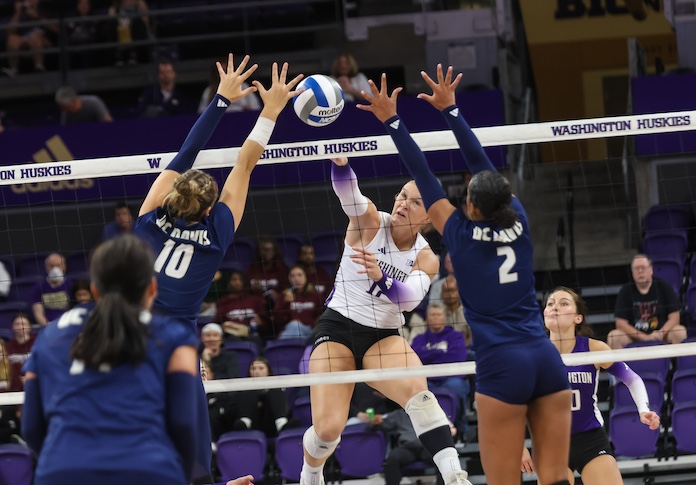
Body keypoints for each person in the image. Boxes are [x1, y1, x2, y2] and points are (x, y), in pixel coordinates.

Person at [358, 65, 572, 485]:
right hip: (545, 359)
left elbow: (422, 174)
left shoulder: (459, 233)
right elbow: (482, 165)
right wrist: (452, 111)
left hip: (501, 365)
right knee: (557, 479)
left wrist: (393, 120)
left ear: (471, 207)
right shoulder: (521, 220)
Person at [133, 54, 303, 482]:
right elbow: (244, 164)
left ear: (174, 194)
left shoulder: (149, 220)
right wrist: (270, 110)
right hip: (177, 347)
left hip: (131, 340)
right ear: (210, 208)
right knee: (191, 435)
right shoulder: (216, 234)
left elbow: (186, 152)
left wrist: (221, 100)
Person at [300, 155, 471, 485]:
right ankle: (311, 472)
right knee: (328, 429)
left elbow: (409, 300)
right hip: (338, 328)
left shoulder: (425, 257)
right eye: (403, 195)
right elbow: (350, 195)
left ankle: (455, 476)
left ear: (429, 217)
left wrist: (381, 277)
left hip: (384, 337)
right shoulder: (369, 221)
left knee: (420, 396)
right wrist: (340, 167)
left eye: (416, 201)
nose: (404, 203)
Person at [21, 235, 200, 484]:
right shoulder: (174, 336)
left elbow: (30, 427)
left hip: (62, 470)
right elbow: (183, 424)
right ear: (152, 288)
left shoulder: (48, 336)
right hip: (149, 470)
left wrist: (63, 461)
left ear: (95, 289)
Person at [520, 286, 661, 484]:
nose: (555, 307)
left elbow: (632, 379)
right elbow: (514, 402)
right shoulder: (532, 354)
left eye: (563, 303)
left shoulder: (593, 349)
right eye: (550, 304)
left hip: (591, 440)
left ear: (578, 317)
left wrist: (643, 409)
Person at [608, 253, 687, 349]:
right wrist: (644, 337)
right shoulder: (625, 291)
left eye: (643, 267)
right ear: (632, 272)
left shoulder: (664, 286)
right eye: (637, 268)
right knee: (614, 336)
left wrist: (660, 333)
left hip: (662, 335)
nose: (640, 271)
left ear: (651, 270)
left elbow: (675, 318)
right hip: (635, 337)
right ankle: (620, 365)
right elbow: (620, 324)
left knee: (679, 331)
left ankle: (674, 364)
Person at [411, 301, 469, 428]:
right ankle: (423, 428)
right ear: (426, 319)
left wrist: (428, 355)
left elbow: (457, 358)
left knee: (455, 387)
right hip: (426, 380)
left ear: (444, 318)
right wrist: (439, 352)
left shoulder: (456, 337)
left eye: (438, 314)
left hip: (451, 378)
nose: (436, 317)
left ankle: (458, 427)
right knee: (415, 391)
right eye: (432, 315)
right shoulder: (418, 339)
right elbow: (414, 359)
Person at [374, 407, 457, 485]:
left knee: (442, 458)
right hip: (407, 448)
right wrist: (374, 422)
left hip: (428, 446)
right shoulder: (398, 414)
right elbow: (376, 425)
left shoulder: (433, 410)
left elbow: (448, 426)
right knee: (393, 457)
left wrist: (451, 429)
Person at [234, 357, 298, 437]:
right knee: (248, 391)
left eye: (261, 368)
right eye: (253, 368)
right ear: (249, 372)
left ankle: (281, 424)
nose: (257, 371)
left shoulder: (276, 388)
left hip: (271, 422)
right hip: (252, 423)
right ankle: (245, 422)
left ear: (268, 371)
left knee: (276, 391)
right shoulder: (243, 389)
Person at [3, 0, 57, 76]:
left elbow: (56, 29)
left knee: (35, 37)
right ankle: (13, 70)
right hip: (25, 39)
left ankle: (39, 67)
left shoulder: (45, 11)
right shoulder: (21, 14)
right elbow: (10, 31)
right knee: (12, 38)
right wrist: (17, 12)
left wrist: (38, 17)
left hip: (44, 40)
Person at [214, 270, 268, 341]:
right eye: (234, 280)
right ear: (228, 283)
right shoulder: (223, 301)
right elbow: (218, 323)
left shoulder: (255, 300)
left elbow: (266, 323)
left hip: (252, 334)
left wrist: (261, 322)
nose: (237, 282)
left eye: (240, 280)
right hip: (231, 335)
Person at [273, 265, 324, 339]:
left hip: (309, 332)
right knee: (294, 326)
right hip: (288, 330)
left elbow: (322, 315)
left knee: (295, 326)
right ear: (289, 279)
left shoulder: (315, 295)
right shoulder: (284, 296)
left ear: (306, 277)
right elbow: (277, 320)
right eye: (292, 276)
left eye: (300, 275)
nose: (296, 279)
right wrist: (286, 303)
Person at [30, 252, 74, 326]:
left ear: (64, 267)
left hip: (67, 325)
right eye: (51, 266)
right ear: (46, 267)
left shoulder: (71, 285)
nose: (55, 269)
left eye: (58, 265)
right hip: (47, 326)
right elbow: (38, 313)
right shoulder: (39, 287)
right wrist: (49, 327)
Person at [245, 235, 289, 305]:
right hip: (256, 305)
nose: (267, 253)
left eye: (270, 250)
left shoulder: (282, 269)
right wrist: (253, 289)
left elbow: (287, 290)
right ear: (259, 251)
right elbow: (244, 291)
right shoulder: (251, 270)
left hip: (277, 305)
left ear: (275, 251)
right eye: (264, 250)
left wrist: (279, 295)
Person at [108, 0, 150, 65]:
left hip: (136, 33)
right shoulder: (115, 7)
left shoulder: (139, 3)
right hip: (121, 32)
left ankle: (133, 54)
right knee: (114, 25)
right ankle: (120, 56)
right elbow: (112, 22)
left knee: (137, 23)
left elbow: (145, 22)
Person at [6, 313, 36, 391]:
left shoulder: (38, 343)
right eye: (17, 324)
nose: (20, 327)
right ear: (12, 327)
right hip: (14, 388)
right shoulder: (8, 347)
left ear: (30, 326)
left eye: (23, 324)